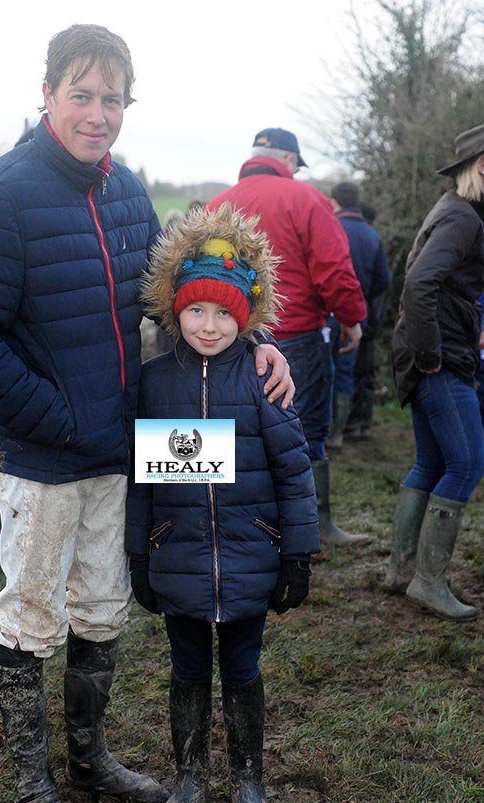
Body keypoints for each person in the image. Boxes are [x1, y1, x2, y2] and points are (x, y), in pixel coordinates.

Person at [0, 24, 294, 803]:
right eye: (82, 95)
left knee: (103, 607)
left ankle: (89, 758)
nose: (98, 114)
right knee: (32, 616)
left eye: (114, 99)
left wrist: (255, 341)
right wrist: (59, 418)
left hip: (121, 453)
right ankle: (33, 793)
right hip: (42, 459)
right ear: (48, 94)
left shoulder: (126, 190)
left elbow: (181, 299)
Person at [126, 204, 320, 803]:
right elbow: (144, 480)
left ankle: (247, 780)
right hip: (178, 558)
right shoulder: (154, 384)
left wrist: (297, 554)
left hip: (249, 559)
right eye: (196, 311)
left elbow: (294, 471)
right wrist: (139, 553)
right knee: (186, 670)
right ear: (174, 311)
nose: (209, 326)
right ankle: (189, 780)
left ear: (246, 316)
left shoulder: (265, 381)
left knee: (242, 669)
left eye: (224, 313)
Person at [207, 128, 368, 545]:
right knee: (305, 432)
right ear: (289, 160)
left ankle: (241, 527)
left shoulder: (217, 206)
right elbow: (334, 270)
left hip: (232, 340)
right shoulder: (307, 199)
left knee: (237, 432)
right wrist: (352, 318)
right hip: (296, 337)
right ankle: (315, 526)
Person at [385, 124, 484, 622]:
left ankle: (401, 571)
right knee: (466, 464)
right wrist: (430, 356)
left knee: (432, 463)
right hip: (438, 357)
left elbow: (432, 281)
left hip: (430, 349)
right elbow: (419, 282)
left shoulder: (454, 210)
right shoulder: (462, 218)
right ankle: (427, 582)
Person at [326, 182, 391, 447]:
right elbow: (383, 279)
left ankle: (320, 430)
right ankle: (338, 433)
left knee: (322, 369)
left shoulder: (330, 227)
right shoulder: (371, 235)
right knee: (345, 371)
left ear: (333, 201)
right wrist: (362, 297)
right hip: (357, 311)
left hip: (328, 311)